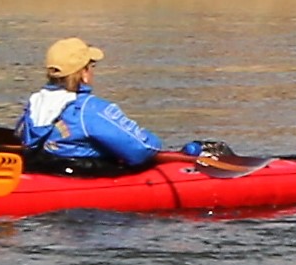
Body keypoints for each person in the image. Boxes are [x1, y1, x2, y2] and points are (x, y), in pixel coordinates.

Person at [14, 38, 221, 176]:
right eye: (91, 66)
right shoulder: (89, 109)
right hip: (85, 178)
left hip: (48, 170)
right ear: (83, 73)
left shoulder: (34, 105)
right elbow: (143, 149)